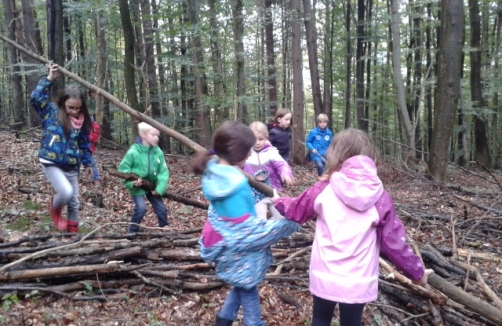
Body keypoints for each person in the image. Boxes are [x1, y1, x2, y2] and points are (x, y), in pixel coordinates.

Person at [271, 128, 434, 326]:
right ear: (371, 158)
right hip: (358, 280)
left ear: (335, 156)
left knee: (320, 320)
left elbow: (296, 210)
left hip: (325, 275)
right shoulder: (380, 197)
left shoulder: (324, 188)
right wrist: (417, 273)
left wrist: (279, 201)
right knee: (352, 322)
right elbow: (393, 243)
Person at [191, 121, 300, 326]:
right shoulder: (236, 183)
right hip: (236, 250)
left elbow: (234, 210)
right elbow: (248, 233)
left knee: (240, 285)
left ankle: (223, 320)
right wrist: (291, 221)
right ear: (238, 154)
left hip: (221, 243)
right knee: (249, 291)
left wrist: (269, 194)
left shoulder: (215, 172)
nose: (250, 155)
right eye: (248, 151)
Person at [30, 62, 94, 233]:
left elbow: (85, 143)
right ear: (63, 104)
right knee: (65, 192)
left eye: (78, 108)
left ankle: (72, 235)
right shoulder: (51, 113)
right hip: (51, 161)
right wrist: (49, 78)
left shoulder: (82, 121)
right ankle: (55, 209)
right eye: (70, 107)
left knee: (74, 202)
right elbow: (36, 98)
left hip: (72, 164)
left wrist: (89, 165)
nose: (74, 111)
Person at [118, 122, 169, 234]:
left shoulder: (158, 151)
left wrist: (159, 188)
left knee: (161, 209)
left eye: (157, 135)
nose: (156, 138)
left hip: (152, 185)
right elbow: (123, 171)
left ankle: (165, 230)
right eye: (153, 135)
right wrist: (132, 183)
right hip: (138, 185)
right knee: (141, 208)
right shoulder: (133, 152)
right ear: (143, 135)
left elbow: (163, 171)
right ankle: (132, 232)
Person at [243, 121, 294, 220]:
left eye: (260, 139)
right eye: (254, 139)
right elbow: (238, 167)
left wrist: (285, 172)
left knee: (281, 218)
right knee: (259, 220)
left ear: (266, 137)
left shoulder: (271, 152)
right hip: (255, 194)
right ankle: (263, 232)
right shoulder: (245, 152)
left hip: (273, 191)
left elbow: (282, 164)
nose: (257, 142)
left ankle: (271, 230)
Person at [88, 117, 101, 186]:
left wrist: (89, 138)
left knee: (91, 163)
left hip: (87, 147)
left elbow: (96, 132)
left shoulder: (90, 120)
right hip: (75, 146)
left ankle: (96, 179)